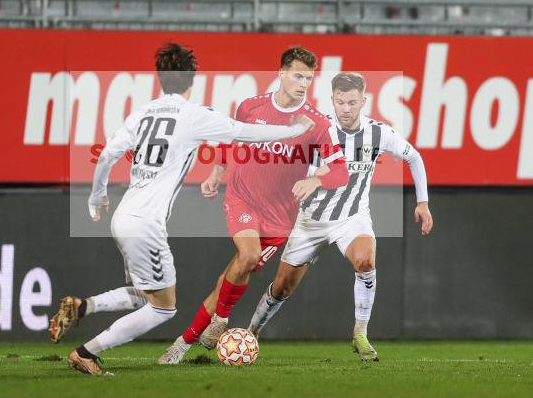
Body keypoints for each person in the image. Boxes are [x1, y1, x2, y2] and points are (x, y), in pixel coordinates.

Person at [50, 42, 315, 375]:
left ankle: (82, 306)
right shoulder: (194, 116)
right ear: (192, 79)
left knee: (142, 295)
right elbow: (243, 133)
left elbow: (107, 156)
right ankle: (87, 352)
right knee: (163, 309)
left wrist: (96, 196)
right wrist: (294, 129)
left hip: (122, 217)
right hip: (147, 224)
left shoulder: (143, 113)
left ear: (161, 79)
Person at [159, 46, 350, 364]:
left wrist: (316, 180)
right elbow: (228, 137)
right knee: (246, 256)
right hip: (242, 197)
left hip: (279, 219)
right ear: (281, 74)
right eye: (297, 75)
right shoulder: (250, 107)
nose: (303, 83)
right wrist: (217, 170)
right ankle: (220, 322)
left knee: (228, 278)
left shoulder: (317, 123)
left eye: (309, 77)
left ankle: (182, 343)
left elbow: (341, 171)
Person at [248, 72, 433, 361]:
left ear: (364, 101)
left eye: (352, 102)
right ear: (332, 100)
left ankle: (360, 333)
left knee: (366, 261)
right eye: (340, 102)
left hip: (352, 218)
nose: (346, 109)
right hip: (311, 221)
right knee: (282, 286)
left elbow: (414, 157)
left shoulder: (378, 133)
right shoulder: (317, 129)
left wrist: (422, 202)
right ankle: (252, 333)